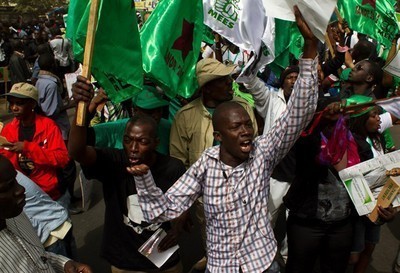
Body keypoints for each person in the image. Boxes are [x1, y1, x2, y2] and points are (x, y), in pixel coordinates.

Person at [129, 6, 319, 272]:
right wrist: (143, 178)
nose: (246, 131)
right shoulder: (205, 166)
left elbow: (299, 113)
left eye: (247, 125)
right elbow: (161, 210)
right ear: (218, 136)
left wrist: (310, 48)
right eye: (236, 127)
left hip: (263, 265)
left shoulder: (263, 152)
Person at [68, 94, 190, 272]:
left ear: (156, 143)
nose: (133, 148)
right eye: (128, 140)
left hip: (163, 259)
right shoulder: (113, 162)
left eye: (142, 142)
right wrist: (84, 105)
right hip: (124, 261)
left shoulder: (173, 168)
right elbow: (77, 151)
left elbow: (183, 204)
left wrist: (178, 227)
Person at [169, 47, 258, 271]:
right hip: (207, 201)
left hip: (246, 194)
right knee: (217, 250)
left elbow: (255, 147)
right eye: (223, 80)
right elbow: (178, 163)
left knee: (250, 250)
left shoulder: (243, 107)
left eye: (229, 79)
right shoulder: (186, 117)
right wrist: (183, 205)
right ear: (208, 88)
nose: (230, 83)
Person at [0, 154, 92, 273]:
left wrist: (64, 264)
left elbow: (36, 254)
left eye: (16, 180)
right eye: (5, 188)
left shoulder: (17, 215)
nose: (21, 189)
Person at [347, 95, 399, 273]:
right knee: (353, 255)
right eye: (374, 115)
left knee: (370, 247)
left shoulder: (378, 137)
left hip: (380, 204)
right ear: (361, 119)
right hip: (359, 207)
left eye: (379, 115)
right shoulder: (352, 142)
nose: (379, 118)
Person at [0, 82, 70, 203]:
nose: (14, 108)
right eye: (11, 103)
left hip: (51, 194)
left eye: (19, 103)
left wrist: (28, 148)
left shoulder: (49, 126)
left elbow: (62, 159)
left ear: (32, 103)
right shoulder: (8, 129)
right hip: (25, 196)